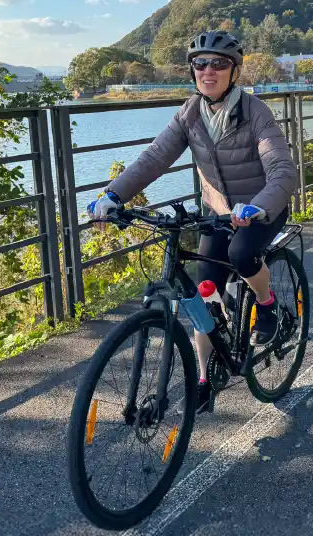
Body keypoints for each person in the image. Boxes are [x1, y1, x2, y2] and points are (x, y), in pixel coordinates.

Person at [87, 30, 299, 411]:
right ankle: (204, 378)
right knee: (204, 291)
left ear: (234, 71)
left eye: (219, 64)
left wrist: (259, 205)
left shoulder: (256, 113)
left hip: (262, 208)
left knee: (242, 254)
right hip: (218, 214)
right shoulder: (189, 113)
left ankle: (266, 305)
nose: (208, 71)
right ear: (192, 71)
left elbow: (282, 169)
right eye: (200, 64)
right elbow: (154, 159)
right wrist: (114, 194)